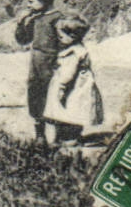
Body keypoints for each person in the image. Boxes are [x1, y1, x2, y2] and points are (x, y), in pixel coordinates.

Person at [14, 0, 63, 146]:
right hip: (36, 64)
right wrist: (21, 23)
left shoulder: (58, 19)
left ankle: (59, 136)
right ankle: (40, 135)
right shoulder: (35, 18)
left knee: (54, 96)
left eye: (31, 1)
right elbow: (23, 40)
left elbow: (65, 43)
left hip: (52, 64)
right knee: (35, 95)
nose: (28, 5)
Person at [44, 16, 104, 146]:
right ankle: (70, 135)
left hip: (74, 87)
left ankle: (69, 138)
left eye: (61, 37)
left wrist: (61, 87)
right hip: (82, 84)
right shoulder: (79, 49)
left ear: (72, 36)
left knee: (69, 109)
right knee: (75, 110)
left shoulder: (73, 53)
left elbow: (68, 74)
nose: (59, 39)